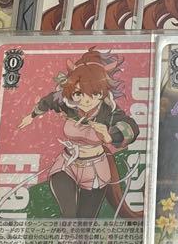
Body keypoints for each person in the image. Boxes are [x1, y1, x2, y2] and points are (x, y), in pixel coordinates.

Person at [17, 49, 141, 220]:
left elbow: (131, 127)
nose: (86, 100)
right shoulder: (68, 103)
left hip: (95, 169)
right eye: (78, 93)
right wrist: (32, 116)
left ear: (103, 92)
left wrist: (110, 136)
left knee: (84, 224)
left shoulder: (108, 111)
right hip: (67, 165)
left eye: (94, 93)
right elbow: (49, 100)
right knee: (69, 217)